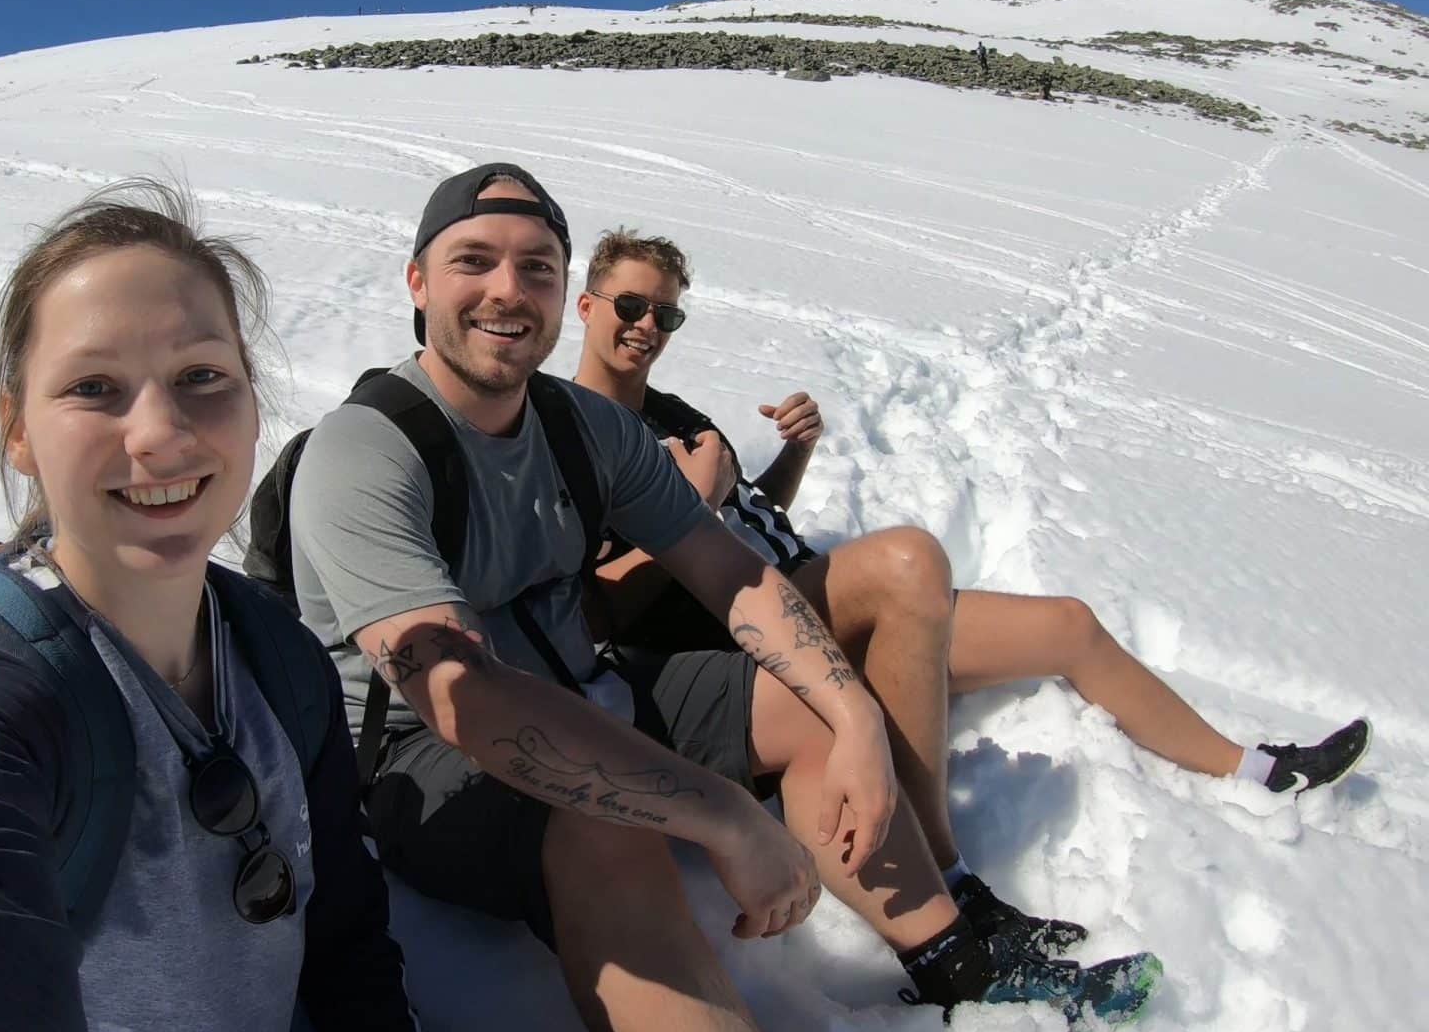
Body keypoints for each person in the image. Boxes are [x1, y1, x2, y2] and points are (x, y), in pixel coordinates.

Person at [0, 183, 704, 1032]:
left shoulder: (275, 653)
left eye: (202, 376)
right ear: (17, 428)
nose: (161, 432)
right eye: (92, 387)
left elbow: (347, 952)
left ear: (253, 400)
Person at [287, 165, 1161, 1032]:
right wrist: (723, 815)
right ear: (416, 281)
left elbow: (730, 572)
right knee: (599, 825)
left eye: (535, 266)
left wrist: (858, 717)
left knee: (814, 708)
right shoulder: (365, 452)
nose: (506, 289)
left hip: (592, 683)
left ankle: (959, 962)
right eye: (472, 261)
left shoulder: (584, 426)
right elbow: (462, 698)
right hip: (428, 764)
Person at [568, 225, 1372, 817]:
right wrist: (694, 506)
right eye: (631, 306)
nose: (645, 325)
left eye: (665, 316)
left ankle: (1255, 769)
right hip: (756, 633)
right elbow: (596, 607)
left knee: (1068, 625)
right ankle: (940, 864)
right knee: (906, 561)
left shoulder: (675, 412)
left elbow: (754, 518)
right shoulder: (568, 433)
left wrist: (795, 456)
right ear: (585, 305)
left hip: (808, 587)